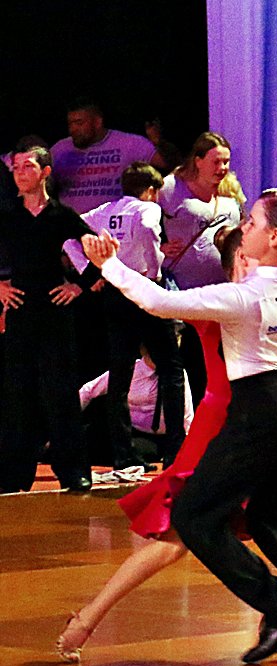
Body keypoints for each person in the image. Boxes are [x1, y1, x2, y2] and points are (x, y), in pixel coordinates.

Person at [85, 188, 277, 663]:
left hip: (262, 409)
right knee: (274, 521)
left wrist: (109, 265)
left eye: (253, 222)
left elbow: (157, 301)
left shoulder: (242, 296)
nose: (245, 227)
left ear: (274, 237)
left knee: (194, 517)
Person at [61, 162, 187, 469]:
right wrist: (154, 272)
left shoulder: (106, 210)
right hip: (144, 291)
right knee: (171, 369)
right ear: (151, 191)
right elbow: (147, 230)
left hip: (116, 295)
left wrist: (90, 271)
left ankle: (123, 454)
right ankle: (175, 450)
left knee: (120, 374)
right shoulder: (148, 208)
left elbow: (68, 234)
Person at [0, 147, 95, 493]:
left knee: (61, 392)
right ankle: (13, 474)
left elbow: (99, 252)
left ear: (45, 172)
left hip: (55, 310)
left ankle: (73, 471)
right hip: (21, 307)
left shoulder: (61, 215)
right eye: (15, 167)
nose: (19, 172)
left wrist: (79, 286)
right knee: (18, 392)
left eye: (28, 166)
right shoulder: (7, 214)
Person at [161, 132, 244, 406]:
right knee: (193, 367)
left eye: (226, 162)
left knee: (223, 368)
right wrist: (159, 247)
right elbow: (141, 217)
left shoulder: (230, 189)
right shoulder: (171, 188)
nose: (222, 168)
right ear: (197, 160)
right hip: (186, 298)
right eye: (216, 161)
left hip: (223, 296)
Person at [49, 98, 158, 214]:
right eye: (70, 124)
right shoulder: (60, 149)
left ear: (97, 122)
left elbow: (166, 165)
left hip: (115, 221)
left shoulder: (130, 144)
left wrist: (159, 142)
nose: (73, 129)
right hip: (71, 222)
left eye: (79, 123)